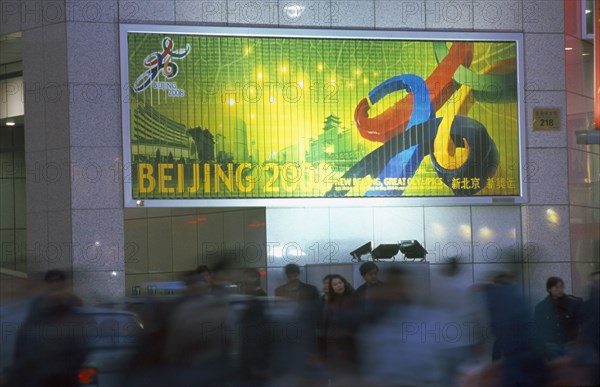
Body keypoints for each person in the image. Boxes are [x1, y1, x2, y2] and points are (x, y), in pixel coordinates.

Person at [7, 270, 88, 387]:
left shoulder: (73, 315)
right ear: (46, 289)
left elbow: (79, 352)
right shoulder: (34, 315)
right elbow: (22, 350)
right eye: (52, 289)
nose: (56, 293)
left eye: (60, 288)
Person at [534, 276, 583, 361]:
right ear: (549, 289)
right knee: (556, 370)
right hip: (551, 344)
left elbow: (579, 323)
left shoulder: (573, 304)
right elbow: (538, 328)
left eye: (562, 287)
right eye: (557, 287)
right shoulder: (541, 307)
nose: (560, 290)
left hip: (569, 344)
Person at [323, 274, 355, 381]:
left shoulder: (353, 298)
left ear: (344, 283)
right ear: (332, 288)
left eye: (340, 283)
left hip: (350, 342)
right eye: (335, 284)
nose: (339, 286)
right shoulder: (330, 302)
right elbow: (327, 323)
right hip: (334, 343)